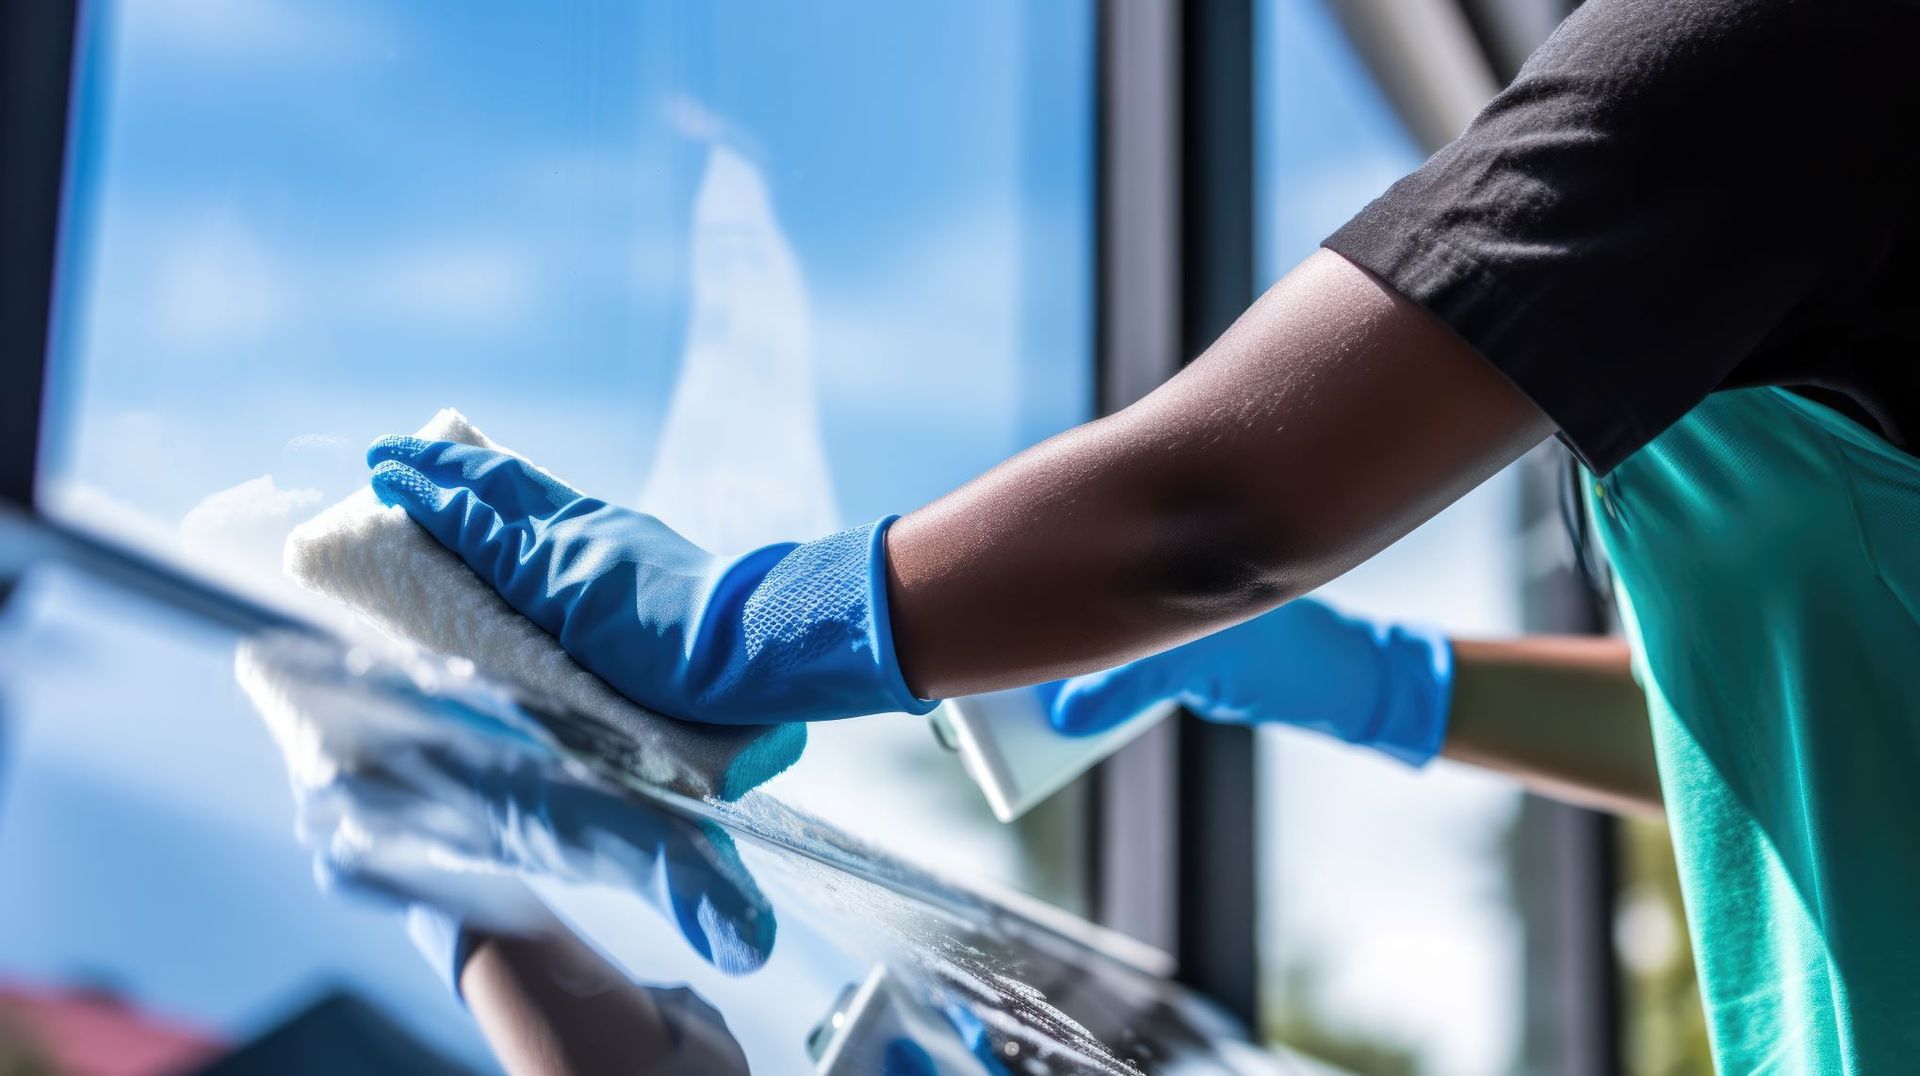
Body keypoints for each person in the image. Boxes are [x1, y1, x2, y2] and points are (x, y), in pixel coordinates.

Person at [362, 0, 1918, 1069]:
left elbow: (1210, 506)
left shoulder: (1769, 46)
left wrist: (755, 625)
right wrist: (1390, 684)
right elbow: (1843, 736)